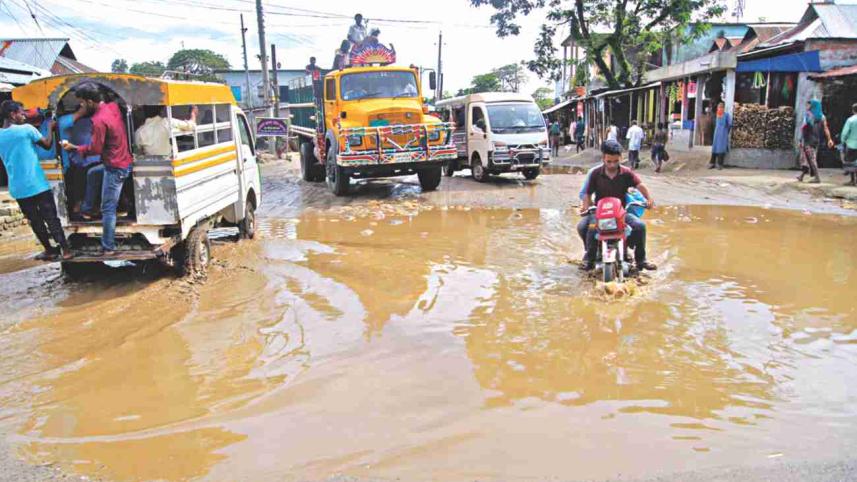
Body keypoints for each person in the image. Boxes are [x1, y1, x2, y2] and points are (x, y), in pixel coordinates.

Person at [62, 83, 134, 256]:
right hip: (123, 161)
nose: (82, 107)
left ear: (89, 101)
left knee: (108, 208)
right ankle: (86, 210)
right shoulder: (113, 107)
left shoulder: (98, 120)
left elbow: (95, 149)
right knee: (92, 173)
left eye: (82, 103)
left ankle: (108, 247)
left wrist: (73, 147)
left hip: (115, 167)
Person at [0, 100, 72, 261]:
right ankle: (66, 250)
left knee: (35, 220)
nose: (24, 116)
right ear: (12, 115)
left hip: (18, 188)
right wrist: (50, 129)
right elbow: (47, 145)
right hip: (37, 184)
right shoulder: (26, 130)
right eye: (21, 112)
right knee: (51, 217)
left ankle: (49, 249)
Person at [579, 139, 656, 272]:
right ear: (603, 158)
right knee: (586, 228)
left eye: (615, 161)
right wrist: (587, 207)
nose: (612, 164)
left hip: (621, 213)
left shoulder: (626, 172)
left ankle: (641, 260)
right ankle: (588, 260)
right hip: (599, 213)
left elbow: (640, 185)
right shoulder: (596, 173)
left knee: (640, 226)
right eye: (609, 161)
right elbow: (587, 193)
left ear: (620, 158)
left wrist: (648, 199)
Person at [58, 104, 101, 217]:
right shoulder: (92, 123)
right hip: (93, 162)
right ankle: (91, 208)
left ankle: (80, 208)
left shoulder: (76, 125)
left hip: (78, 163)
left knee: (79, 190)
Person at [797, 99, 833, 184]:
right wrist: (829, 139)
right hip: (816, 140)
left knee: (811, 159)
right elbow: (825, 128)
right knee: (807, 158)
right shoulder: (822, 116)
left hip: (808, 140)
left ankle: (817, 178)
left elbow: (803, 129)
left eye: (808, 105)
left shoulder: (808, 115)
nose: (807, 107)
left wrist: (800, 140)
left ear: (812, 106)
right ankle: (801, 176)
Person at [709, 102, 732, 170]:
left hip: (723, 134)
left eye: (721, 107)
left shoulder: (727, 115)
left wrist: (726, 131)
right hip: (716, 134)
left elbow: (729, 124)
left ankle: (720, 164)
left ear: (724, 108)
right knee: (715, 148)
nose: (720, 108)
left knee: (721, 148)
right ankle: (712, 163)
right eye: (719, 107)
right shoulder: (716, 115)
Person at [841, 102, 857, 186]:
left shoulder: (850, 120)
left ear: (853, 110)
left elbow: (845, 133)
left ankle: (853, 180)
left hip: (851, 144)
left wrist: (843, 141)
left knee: (851, 162)